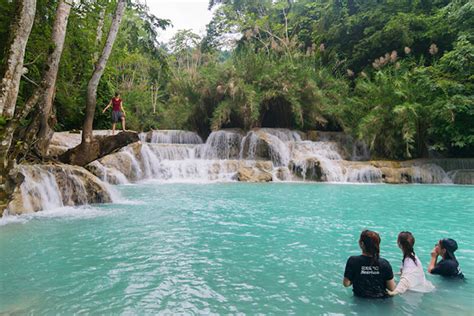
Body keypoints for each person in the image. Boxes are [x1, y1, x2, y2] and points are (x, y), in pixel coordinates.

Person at [343, 230, 396, 298]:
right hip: (382, 300)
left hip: (360, 299)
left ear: (361, 243)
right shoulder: (384, 263)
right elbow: (391, 288)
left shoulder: (353, 261)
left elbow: (346, 284)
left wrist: (357, 276)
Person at [388, 232, 434, 296]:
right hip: (420, 288)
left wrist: (393, 292)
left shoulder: (409, 261)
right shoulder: (413, 257)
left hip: (413, 293)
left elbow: (405, 280)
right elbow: (410, 272)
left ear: (399, 244)